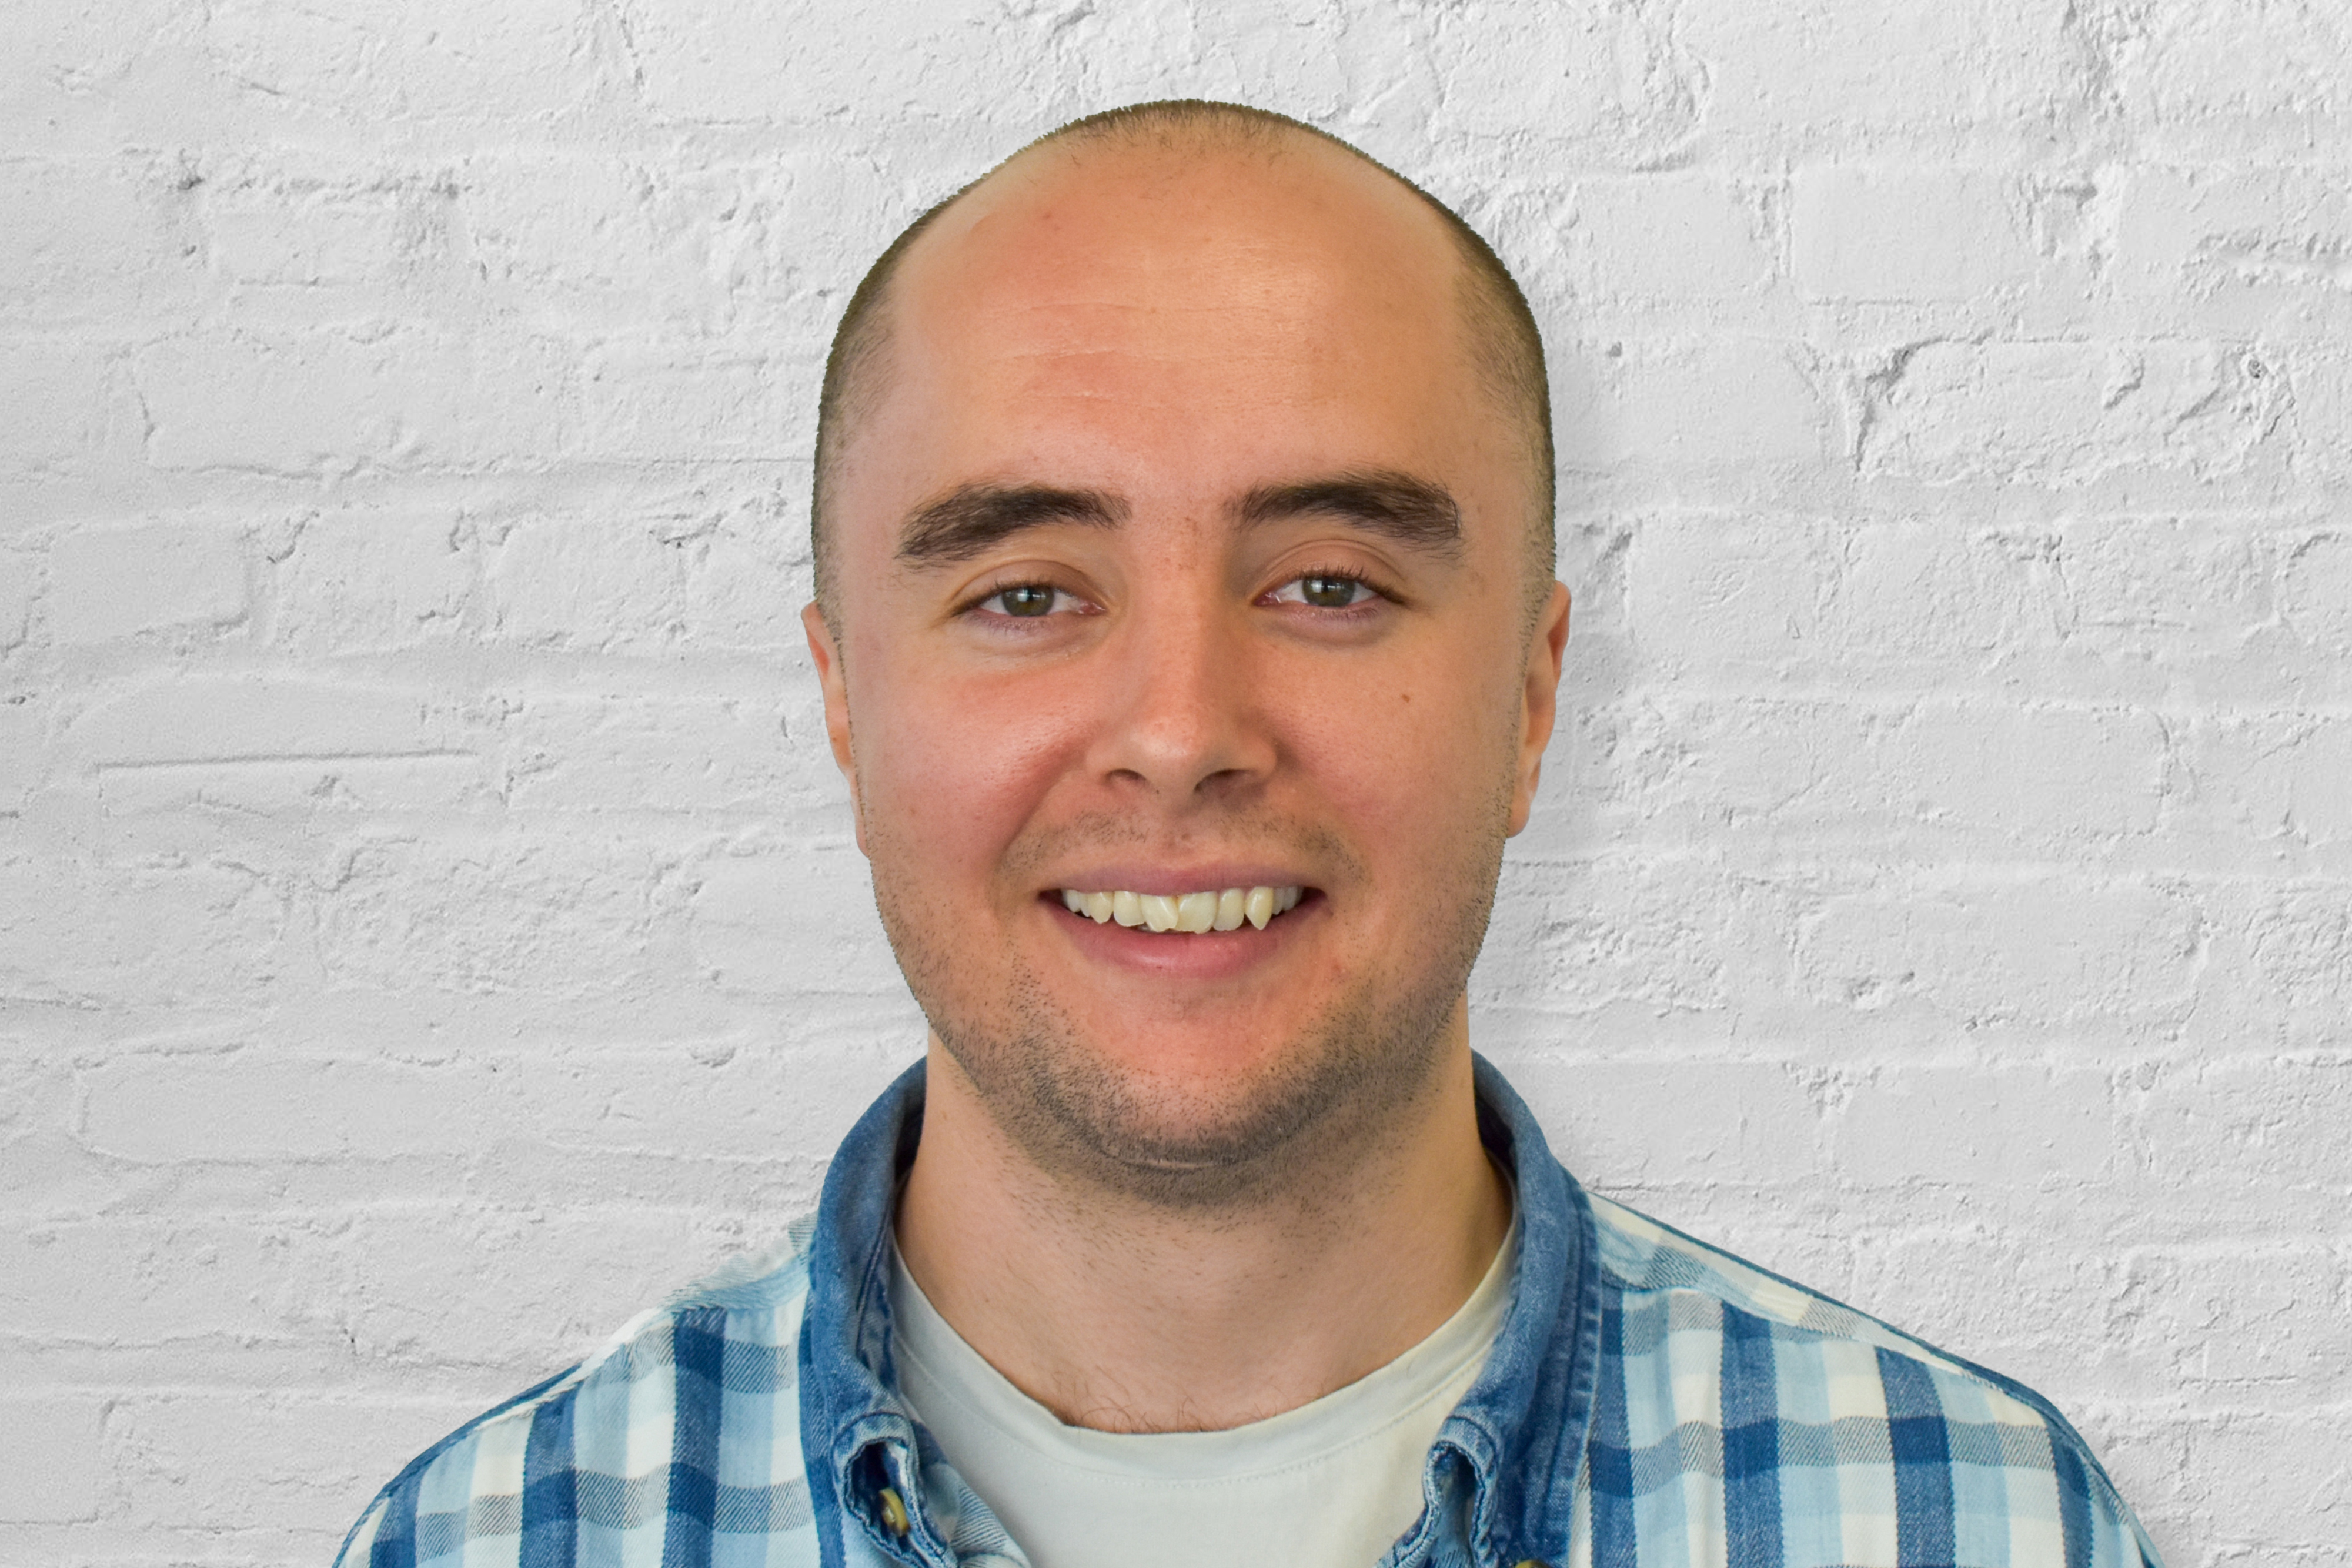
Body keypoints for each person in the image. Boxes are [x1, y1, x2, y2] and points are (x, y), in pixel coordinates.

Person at [335, 101, 2161, 1568]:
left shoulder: (1978, 1529)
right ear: (841, 696)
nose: (1184, 733)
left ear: (1532, 701)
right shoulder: (497, 1541)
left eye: (1327, 582)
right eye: (1031, 593)